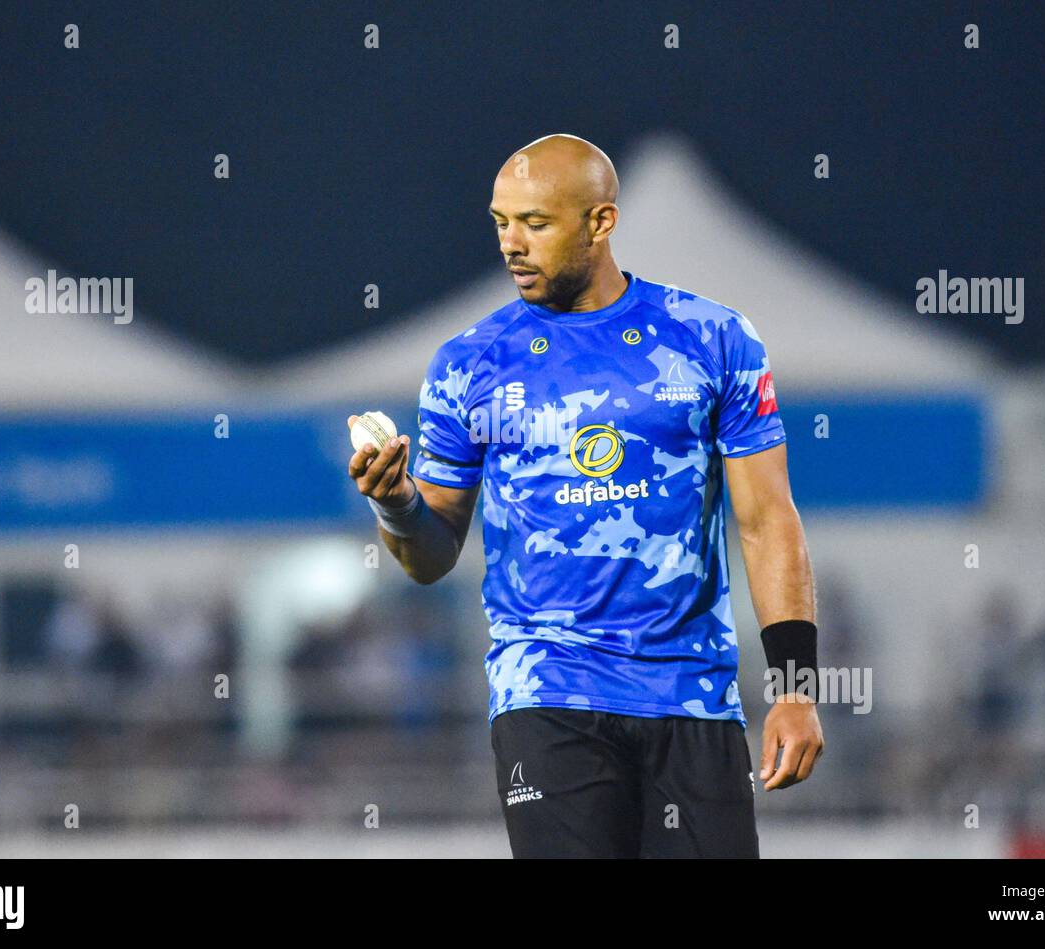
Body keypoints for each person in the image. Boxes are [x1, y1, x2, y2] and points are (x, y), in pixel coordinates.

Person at [346, 134, 822, 858]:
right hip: (546, 691)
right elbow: (430, 554)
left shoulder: (712, 338)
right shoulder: (467, 363)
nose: (511, 243)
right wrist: (396, 504)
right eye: (500, 221)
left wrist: (794, 687)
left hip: (691, 692)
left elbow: (765, 519)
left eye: (535, 223)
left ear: (601, 222)